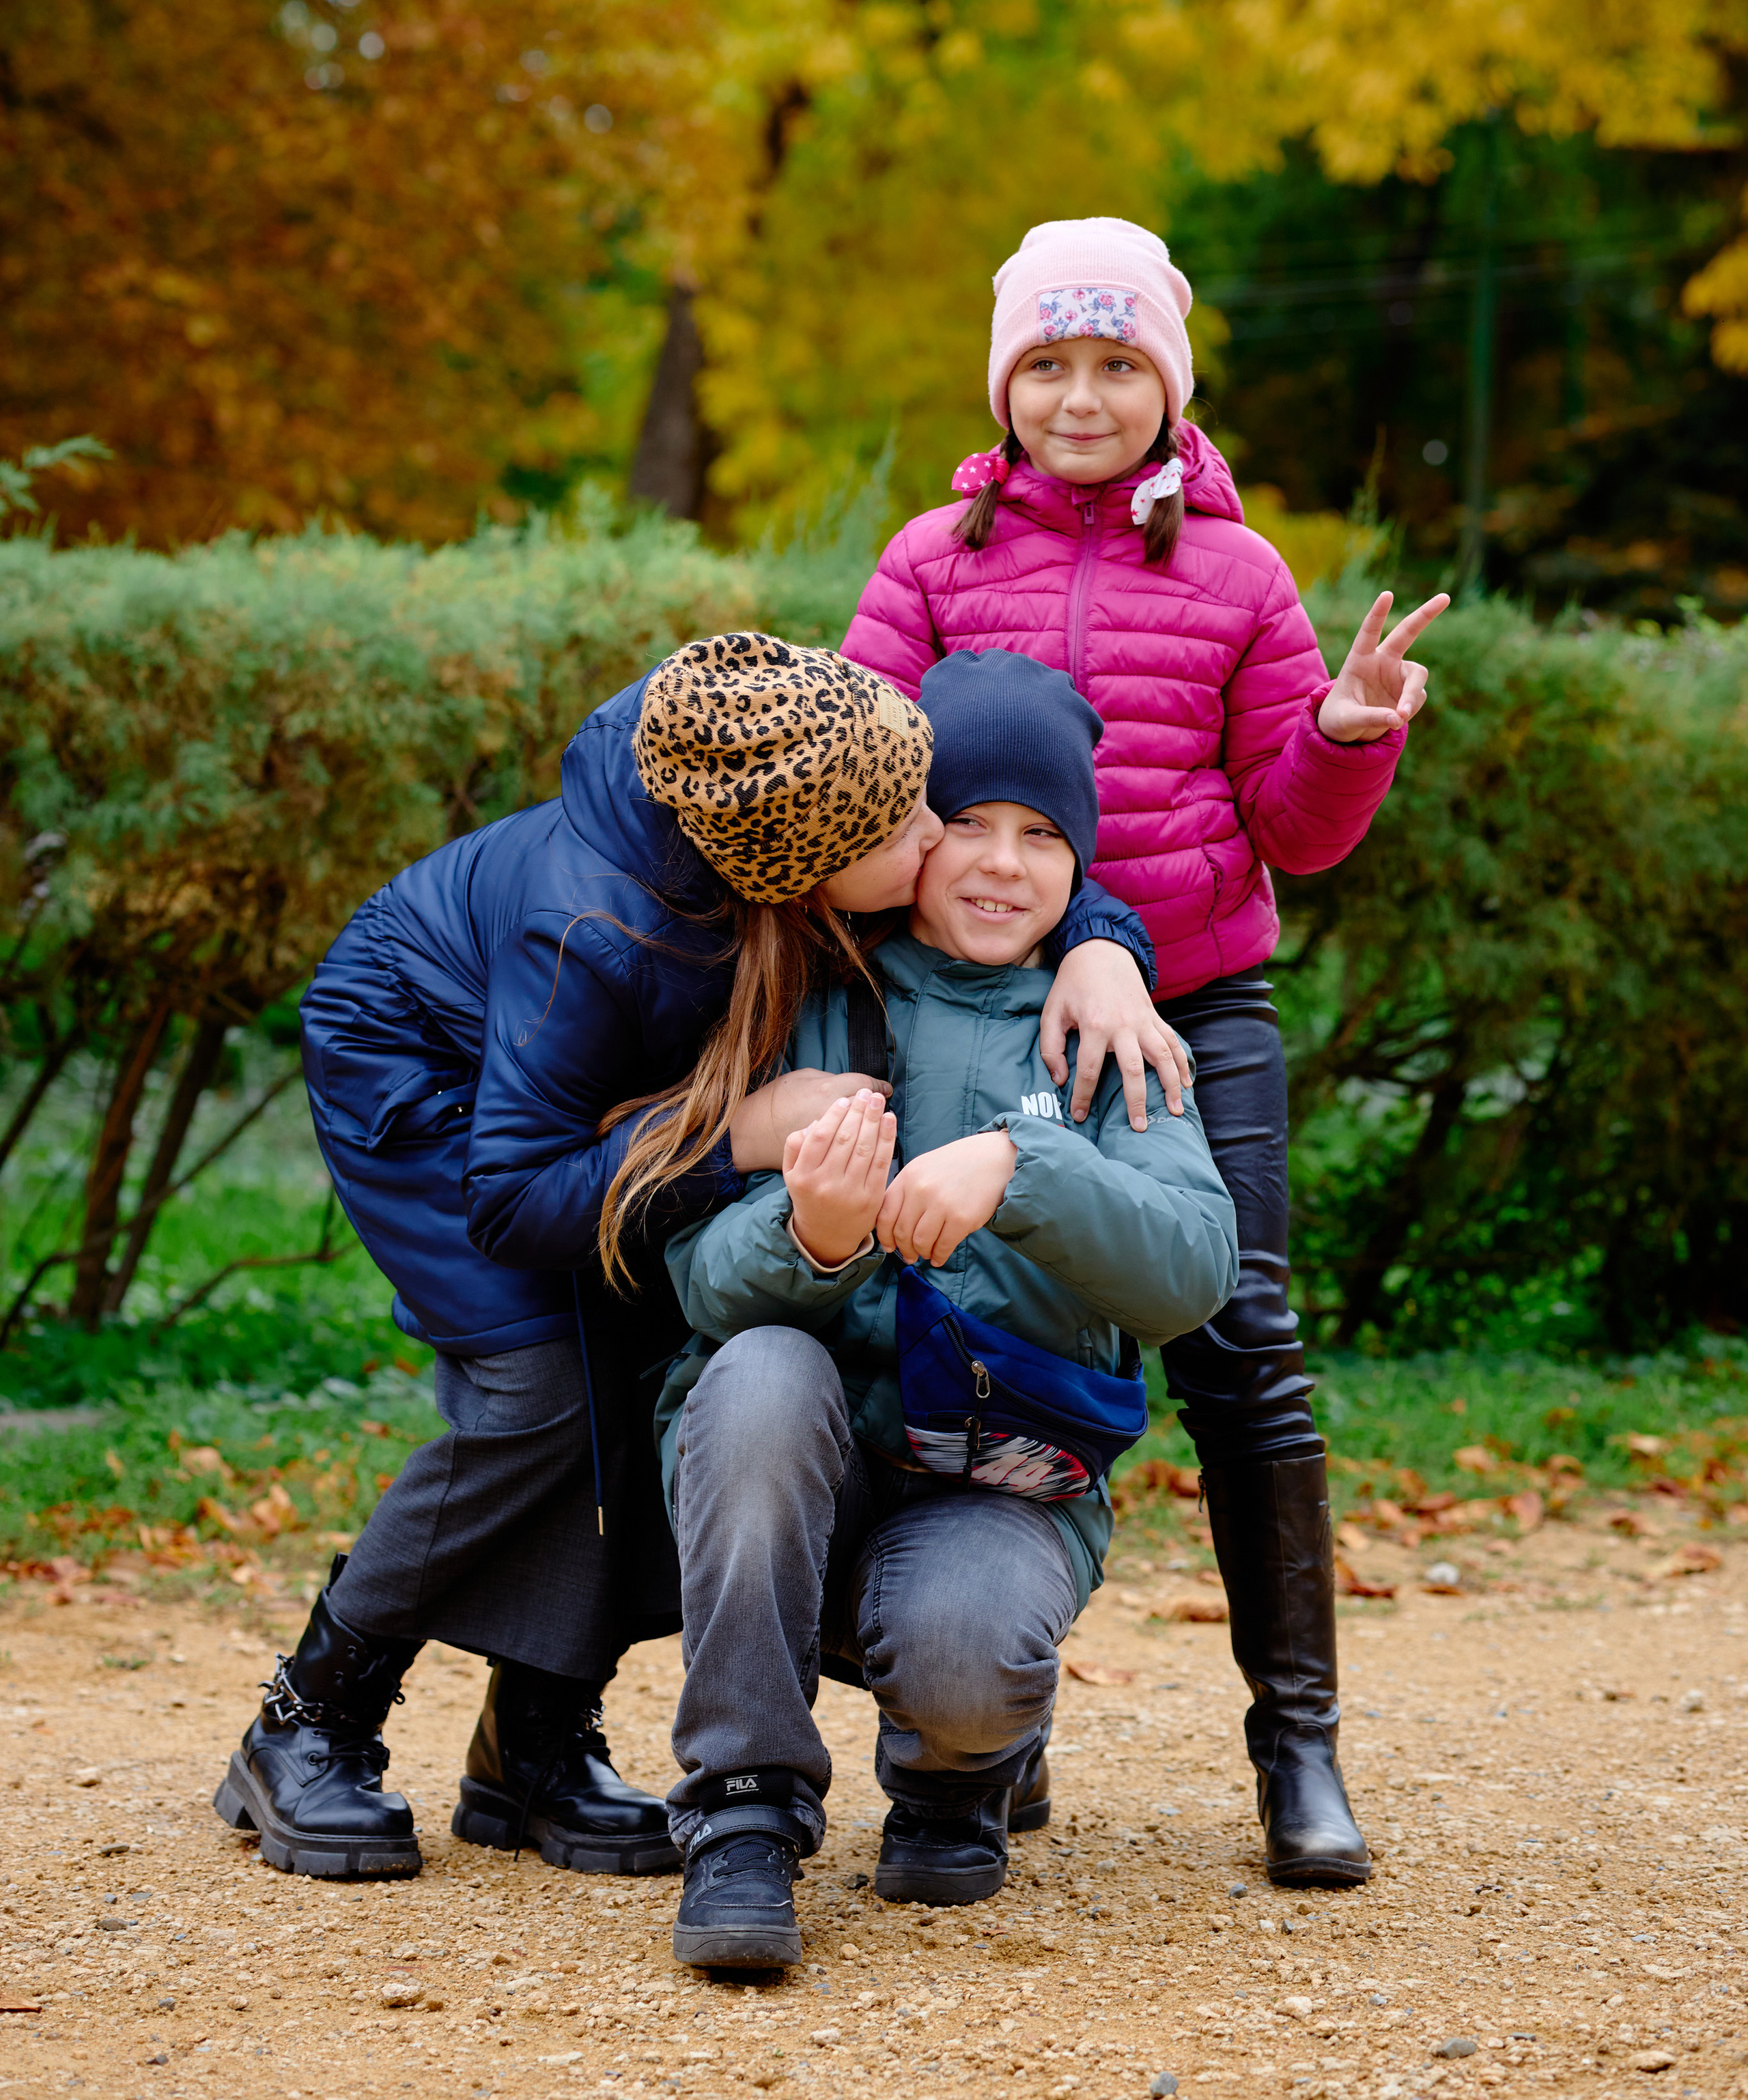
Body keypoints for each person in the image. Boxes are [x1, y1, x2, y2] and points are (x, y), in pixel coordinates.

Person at [212, 629, 1178, 1881]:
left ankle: (533, 1745)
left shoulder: (790, 759)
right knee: (542, 1394)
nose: (941, 846)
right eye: (914, 831)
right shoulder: (595, 932)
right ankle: (308, 1719)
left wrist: (1102, 940)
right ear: (810, 873)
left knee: (641, 1354)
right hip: (427, 1073)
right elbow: (516, 1200)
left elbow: (1017, 823)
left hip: (582, 1097)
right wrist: (735, 1140)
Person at [840, 218, 1448, 1888]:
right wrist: (1081, 933)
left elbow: (1289, 832)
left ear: (1167, 389)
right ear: (1004, 383)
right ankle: (984, 1714)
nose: (1080, 397)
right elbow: (868, 803)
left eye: (1117, 365)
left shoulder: (1239, 577)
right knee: (958, 1311)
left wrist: (1341, 739)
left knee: (1239, 1345)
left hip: (1195, 1012)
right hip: (971, 1007)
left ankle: (1296, 1749)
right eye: (1048, 363)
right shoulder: (929, 561)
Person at [654, 649, 1241, 1970]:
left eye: (1044, 836)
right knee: (756, 1374)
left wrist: (1029, 1167)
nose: (1001, 865)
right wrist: (812, 1233)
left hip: (999, 1482)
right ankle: (742, 1809)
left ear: (1082, 866)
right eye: (968, 822)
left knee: (969, 1659)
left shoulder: (1109, 1035)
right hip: (799, 1468)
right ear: (909, 834)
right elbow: (693, 1278)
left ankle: (956, 1770)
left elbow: (1197, 1269)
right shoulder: (808, 1000)